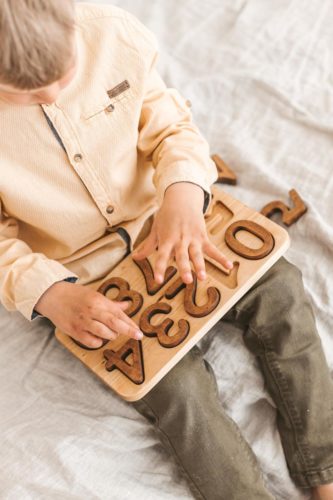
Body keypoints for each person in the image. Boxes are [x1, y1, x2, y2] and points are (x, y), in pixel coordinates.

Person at [0, 1, 332, 498]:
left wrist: (183, 195)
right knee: (178, 395)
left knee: (281, 288)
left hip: (170, 218)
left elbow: (172, 130)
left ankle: (325, 469)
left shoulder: (112, 33)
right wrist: (51, 295)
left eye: (66, 76)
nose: (50, 96)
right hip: (86, 280)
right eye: (20, 96)